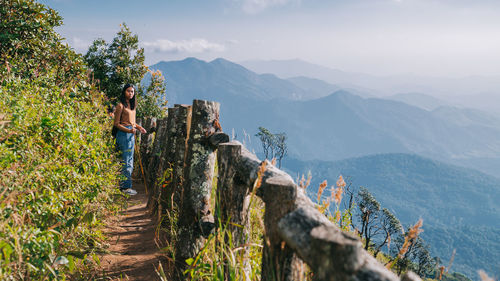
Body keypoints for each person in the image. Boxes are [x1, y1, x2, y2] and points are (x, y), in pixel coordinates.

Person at [114, 84, 146, 195]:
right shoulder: (120, 106)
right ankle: (125, 188)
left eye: (132, 91)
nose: (130, 93)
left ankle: (125, 186)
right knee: (126, 161)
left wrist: (139, 127)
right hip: (123, 134)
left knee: (130, 161)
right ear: (124, 92)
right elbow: (116, 124)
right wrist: (128, 131)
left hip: (131, 134)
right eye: (128, 91)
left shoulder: (132, 106)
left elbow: (132, 122)